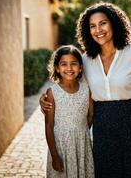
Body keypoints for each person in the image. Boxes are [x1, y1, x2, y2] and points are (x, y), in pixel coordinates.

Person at [40, 2, 131, 178]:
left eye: (103, 23)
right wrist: (45, 98)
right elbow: (69, 86)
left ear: (113, 23)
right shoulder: (85, 60)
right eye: (92, 26)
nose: (98, 30)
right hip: (102, 124)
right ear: (87, 31)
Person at [44, 45, 94, 178]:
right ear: (57, 68)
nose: (69, 68)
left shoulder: (87, 90)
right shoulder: (52, 92)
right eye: (64, 64)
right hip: (60, 147)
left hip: (82, 145)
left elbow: (90, 116)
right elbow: (49, 125)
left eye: (74, 64)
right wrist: (54, 155)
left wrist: (79, 132)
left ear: (81, 67)